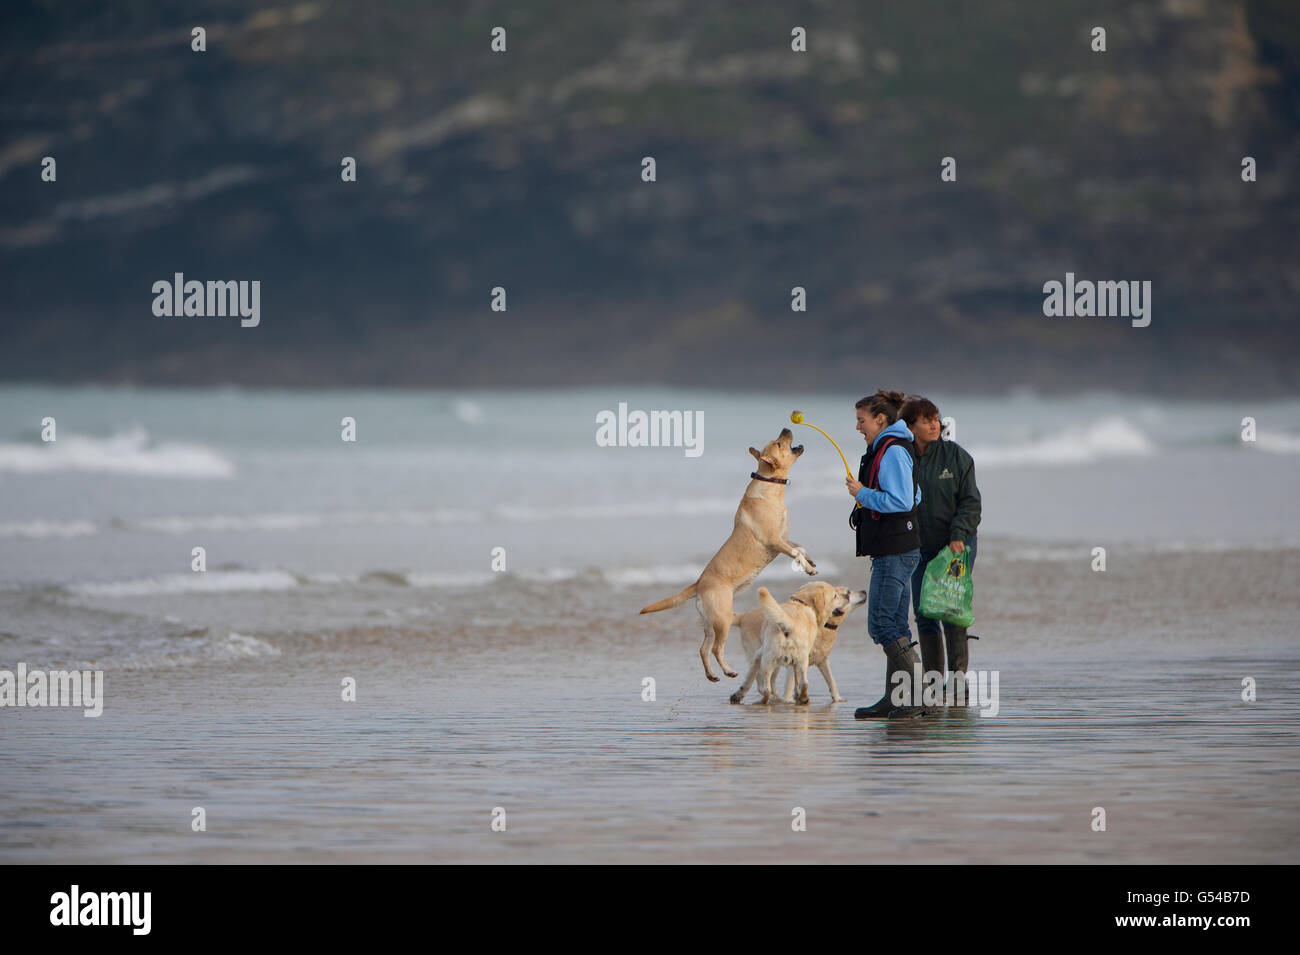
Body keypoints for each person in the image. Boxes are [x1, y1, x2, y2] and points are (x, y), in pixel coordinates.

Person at [845, 389, 926, 719]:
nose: (858, 428)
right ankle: (896, 698)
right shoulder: (890, 448)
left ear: (881, 419)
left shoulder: (891, 451)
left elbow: (903, 501)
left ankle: (920, 694)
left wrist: (863, 494)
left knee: (881, 624)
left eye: (861, 421)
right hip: (899, 549)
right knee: (895, 625)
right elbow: (915, 495)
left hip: (896, 552)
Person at [899, 395, 981, 687]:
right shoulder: (902, 457)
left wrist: (959, 536)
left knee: (951, 609)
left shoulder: (956, 457)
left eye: (936, 419)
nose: (934, 425)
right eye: (926, 420)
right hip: (918, 548)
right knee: (924, 612)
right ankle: (933, 684)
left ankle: (958, 682)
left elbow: (971, 503)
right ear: (910, 426)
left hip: (955, 548)